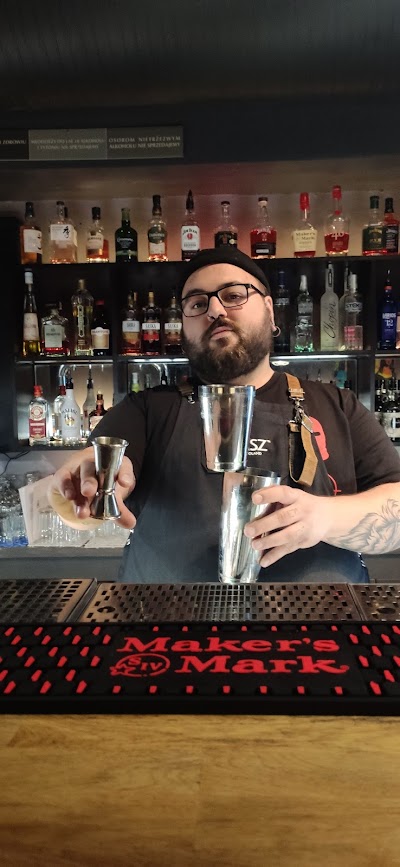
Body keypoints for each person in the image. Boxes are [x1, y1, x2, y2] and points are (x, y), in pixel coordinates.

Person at [49, 247, 400, 584]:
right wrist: (85, 483)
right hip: (163, 623)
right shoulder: (146, 410)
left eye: (233, 295)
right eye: (197, 303)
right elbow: (88, 473)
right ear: (183, 329)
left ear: (270, 311)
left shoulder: (338, 405)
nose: (215, 310)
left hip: (321, 623)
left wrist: (325, 518)